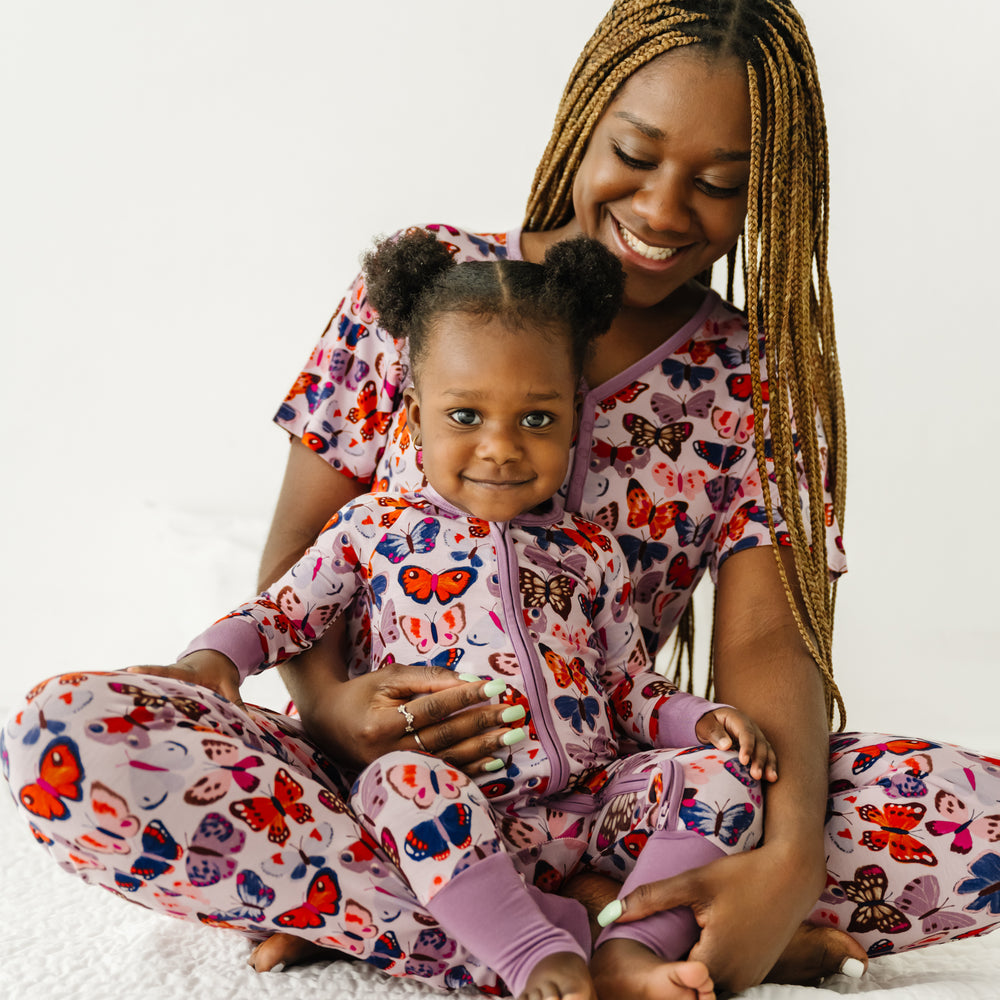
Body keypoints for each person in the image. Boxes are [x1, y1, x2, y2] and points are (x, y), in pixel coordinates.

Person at [3, 1, 999, 996]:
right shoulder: (426, 288)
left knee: (975, 815)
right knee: (64, 736)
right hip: (390, 791)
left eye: (718, 184)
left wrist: (783, 860)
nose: (660, 209)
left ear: (766, 194)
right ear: (584, 115)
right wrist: (335, 711)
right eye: (635, 154)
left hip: (614, 788)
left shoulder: (756, 378)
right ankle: (594, 950)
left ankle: (416, 921)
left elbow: (763, 650)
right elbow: (300, 570)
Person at [174, 229, 776, 1000]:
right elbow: (281, 612)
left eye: (536, 420)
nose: (500, 448)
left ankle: (631, 943)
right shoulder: (375, 530)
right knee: (396, 784)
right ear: (418, 413)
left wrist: (702, 722)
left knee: (725, 780)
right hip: (454, 819)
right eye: (465, 416)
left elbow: (628, 687)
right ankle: (532, 951)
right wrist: (210, 661)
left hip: (587, 809)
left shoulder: (589, 550)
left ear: (574, 415)